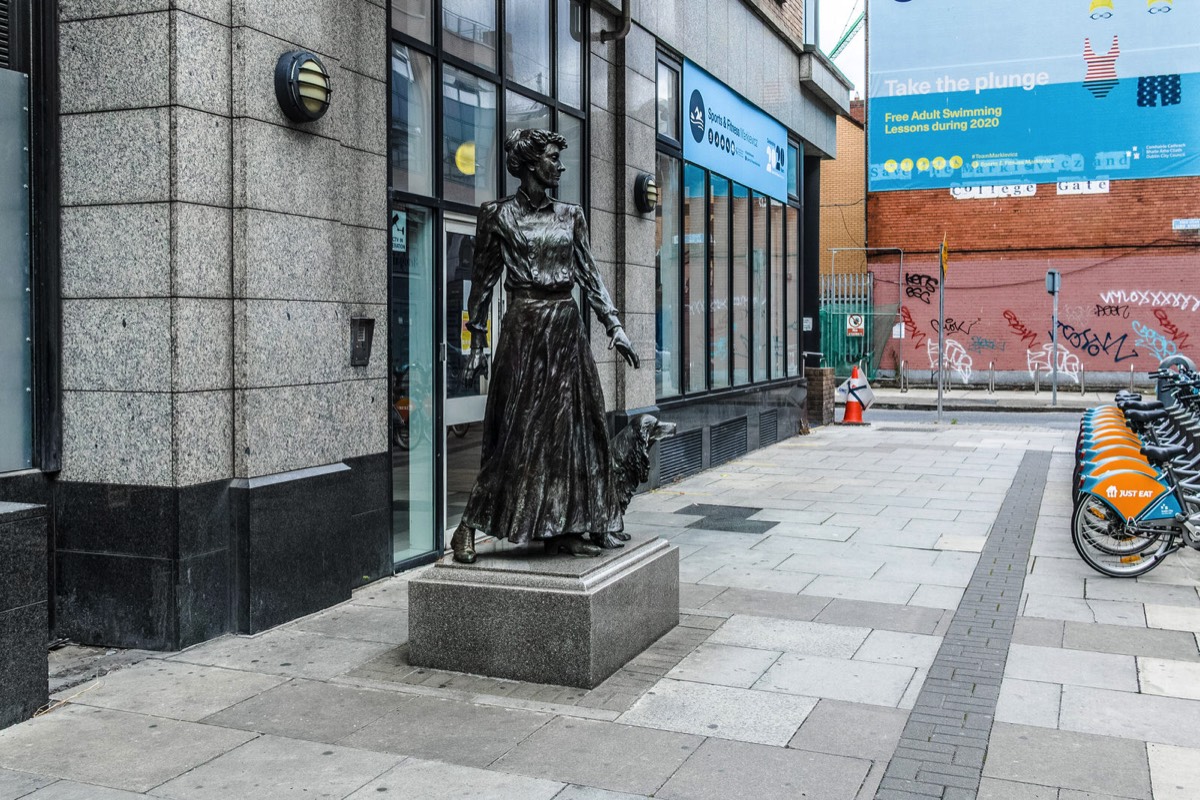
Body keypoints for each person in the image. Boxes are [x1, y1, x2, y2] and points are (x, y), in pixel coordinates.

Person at [450, 128, 640, 563]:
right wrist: (477, 336)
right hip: (523, 328)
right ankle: (467, 528)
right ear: (531, 162)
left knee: (573, 430)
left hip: (565, 329)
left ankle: (563, 526)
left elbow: (590, 275)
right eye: (553, 157)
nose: (560, 165)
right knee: (517, 432)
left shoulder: (571, 215)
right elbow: (482, 282)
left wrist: (614, 326)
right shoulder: (498, 216)